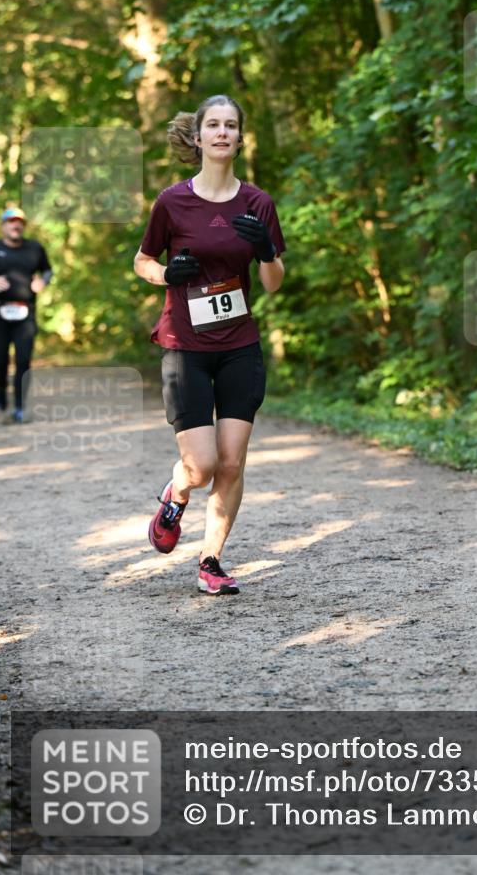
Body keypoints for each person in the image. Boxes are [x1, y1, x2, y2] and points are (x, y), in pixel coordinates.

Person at [134, 94, 286, 597]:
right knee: (201, 466)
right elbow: (142, 260)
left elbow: (273, 283)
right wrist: (166, 274)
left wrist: (266, 251)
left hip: (240, 344)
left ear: (240, 138)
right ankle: (176, 493)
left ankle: (211, 560)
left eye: (231, 125)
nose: (223, 132)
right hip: (186, 346)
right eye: (214, 125)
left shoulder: (258, 203)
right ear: (198, 137)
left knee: (232, 462)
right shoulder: (172, 202)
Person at [0, 206, 52, 422]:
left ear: (23, 226)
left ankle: (19, 406)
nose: (16, 225)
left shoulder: (35, 248)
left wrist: (43, 281)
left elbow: (47, 270)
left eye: (19, 222)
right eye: (11, 221)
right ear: (3, 226)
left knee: (23, 360)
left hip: (25, 314)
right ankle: (1, 390)